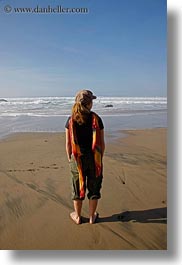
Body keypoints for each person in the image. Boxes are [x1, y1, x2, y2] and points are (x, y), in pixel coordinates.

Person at [65, 89, 105, 224]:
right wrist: (100, 159)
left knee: (77, 187)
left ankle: (77, 216)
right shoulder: (96, 119)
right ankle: (92, 216)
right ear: (89, 104)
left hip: (77, 159)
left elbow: (68, 145)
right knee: (94, 188)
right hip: (95, 159)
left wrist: (70, 159)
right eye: (92, 101)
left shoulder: (71, 120)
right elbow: (102, 144)